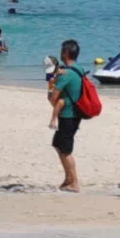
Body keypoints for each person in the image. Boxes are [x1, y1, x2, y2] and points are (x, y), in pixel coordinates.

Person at [47, 39, 85, 192]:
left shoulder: (66, 74)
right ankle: (68, 178)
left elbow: (52, 98)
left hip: (68, 115)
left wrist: (50, 82)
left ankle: (74, 182)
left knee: (65, 149)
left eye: (62, 50)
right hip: (75, 113)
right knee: (57, 144)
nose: (61, 53)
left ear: (67, 53)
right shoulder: (79, 69)